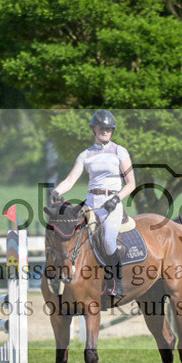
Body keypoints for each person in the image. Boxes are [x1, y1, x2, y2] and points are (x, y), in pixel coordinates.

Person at [51, 110, 136, 301]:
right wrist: (56, 191)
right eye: (101, 128)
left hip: (112, 202)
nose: (105, 131)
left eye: (108, 129)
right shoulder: (85, 155)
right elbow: (70, 180)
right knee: (73, 235)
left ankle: (117, 282)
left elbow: (131, 183)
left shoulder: (119, 151)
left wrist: (116, 199)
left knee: (108, 240)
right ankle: (67, 277)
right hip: (90, 203)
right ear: (94, 129)